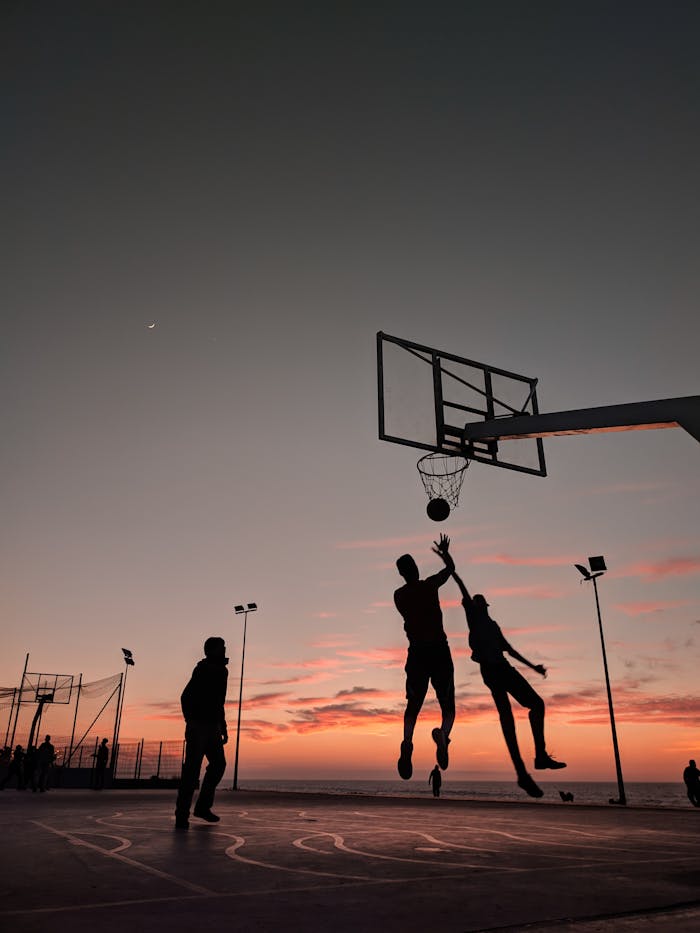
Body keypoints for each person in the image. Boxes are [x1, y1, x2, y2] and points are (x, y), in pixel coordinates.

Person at [442, 545, 566, 799]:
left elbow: (510, 649)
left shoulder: (493, 625)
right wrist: (447, 559)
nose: (477, 603)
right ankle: (522, 774)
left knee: (537, 705)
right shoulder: (474, 619)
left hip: (504, 668)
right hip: (491, 671)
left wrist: (534, 667)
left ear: (486, 605)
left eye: (480, 602)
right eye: (475, 602)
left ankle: (540, 756)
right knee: (507, 720)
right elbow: (461, 584)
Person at [393, 534, 456, 779]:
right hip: (438, 650)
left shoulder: (399, 595)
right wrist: (444, 553)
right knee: (448, 706)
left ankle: (407, 743)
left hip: (417, 652)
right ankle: (443, 737)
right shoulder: (429, 585)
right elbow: (450, 569)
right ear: (415, 569)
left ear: (401, 574)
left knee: (413, 705)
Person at [175, 636, 229, 829]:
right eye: (221, 647)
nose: (225, 649)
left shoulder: (223, 670)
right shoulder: (203, 669)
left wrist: (222, 725)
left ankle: (202, 807)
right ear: (212, 650)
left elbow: (219, 702)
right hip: (199, 726)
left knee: (218, 764)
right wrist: (191, 720)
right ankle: (182, 815)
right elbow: (185, 696)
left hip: (213, 727)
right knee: (191, 771)